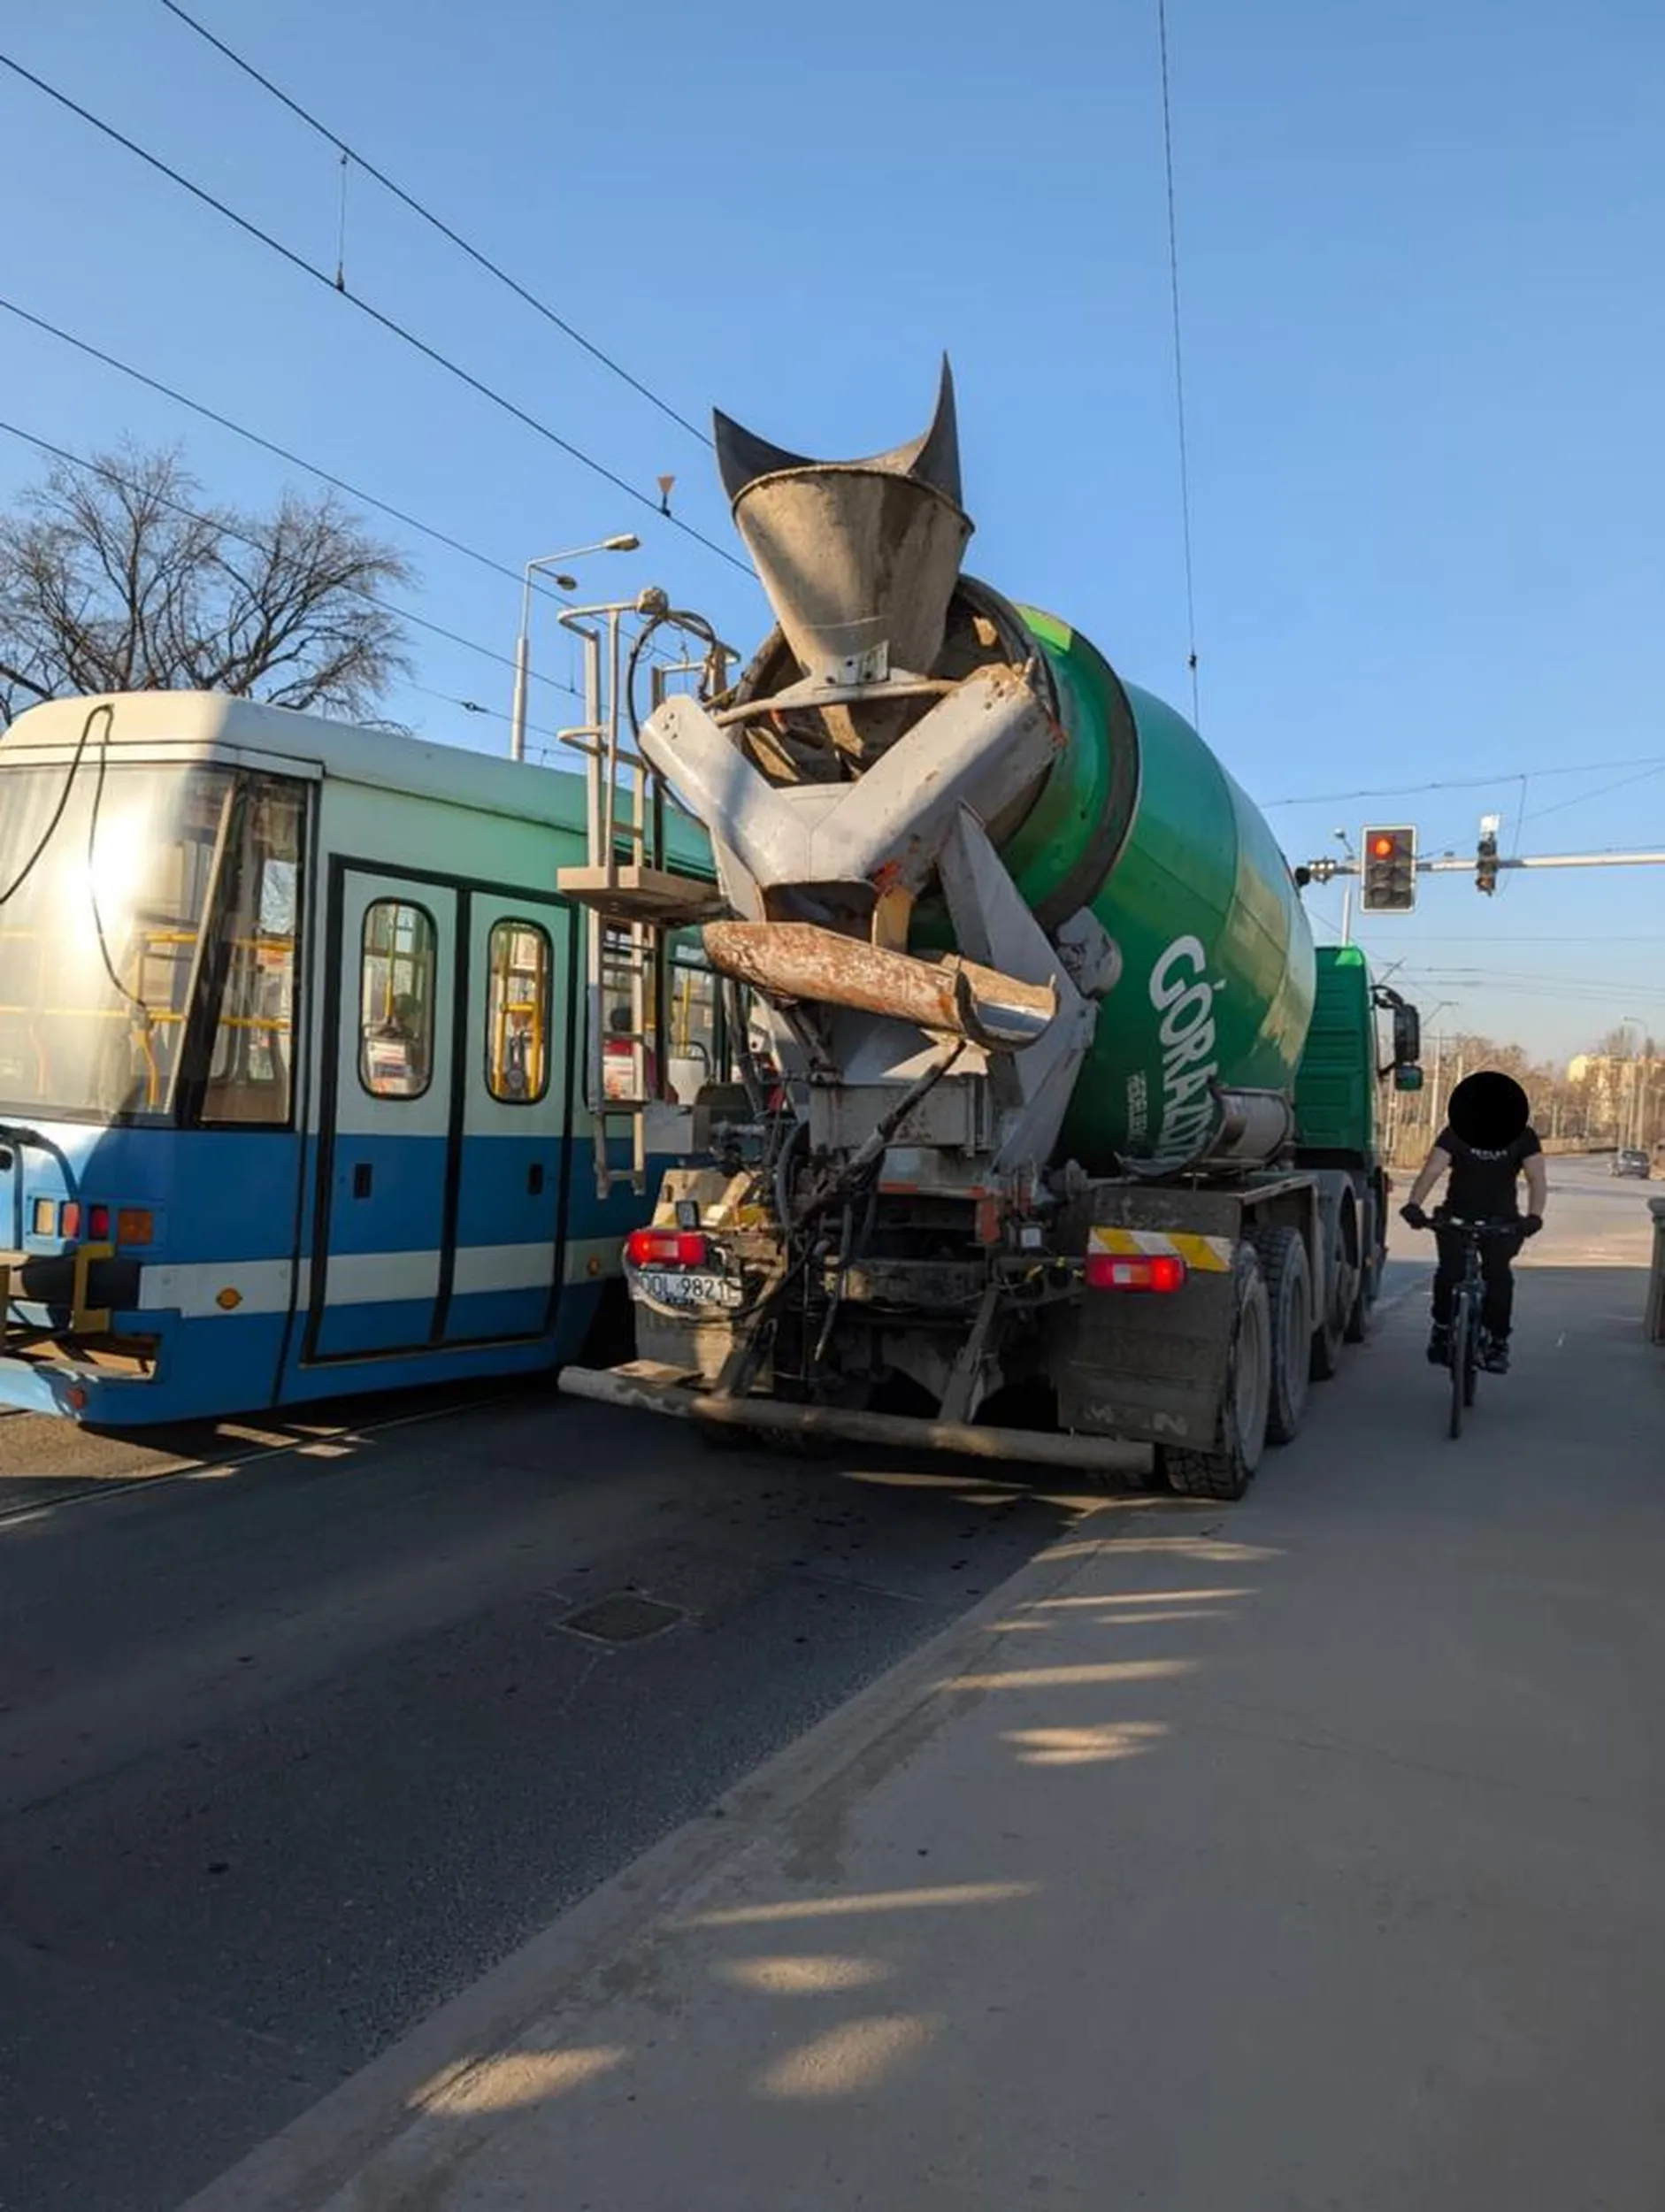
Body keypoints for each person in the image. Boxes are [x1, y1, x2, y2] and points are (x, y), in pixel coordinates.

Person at [1400, 1070, 1546, 1374]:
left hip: (1502, 1222)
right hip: (1456, 1218)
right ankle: (1441, 1328)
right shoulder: (1457, 1131)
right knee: (1450, 1273)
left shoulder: (1524, 1136)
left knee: (1498, 1278)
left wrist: (1534, 1216)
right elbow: (1432, 1170)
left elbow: (1536, 1178)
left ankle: (1497, 1342)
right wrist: (1414, 1205)